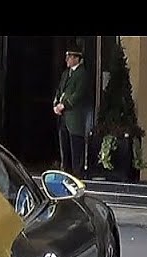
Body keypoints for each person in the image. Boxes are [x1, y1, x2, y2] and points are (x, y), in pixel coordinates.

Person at [54, 44, 93, 176]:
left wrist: (64, 104)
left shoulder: (82, 74)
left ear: (77, 58)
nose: (67, 60)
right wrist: (56, 104)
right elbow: (60, 90)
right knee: (64, 145)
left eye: (69, 57)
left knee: (76, 146)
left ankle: (77, 172)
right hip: (64, 116)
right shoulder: (66, 74)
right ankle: (65, 169)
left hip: (75, 117)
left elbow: (78, 94)